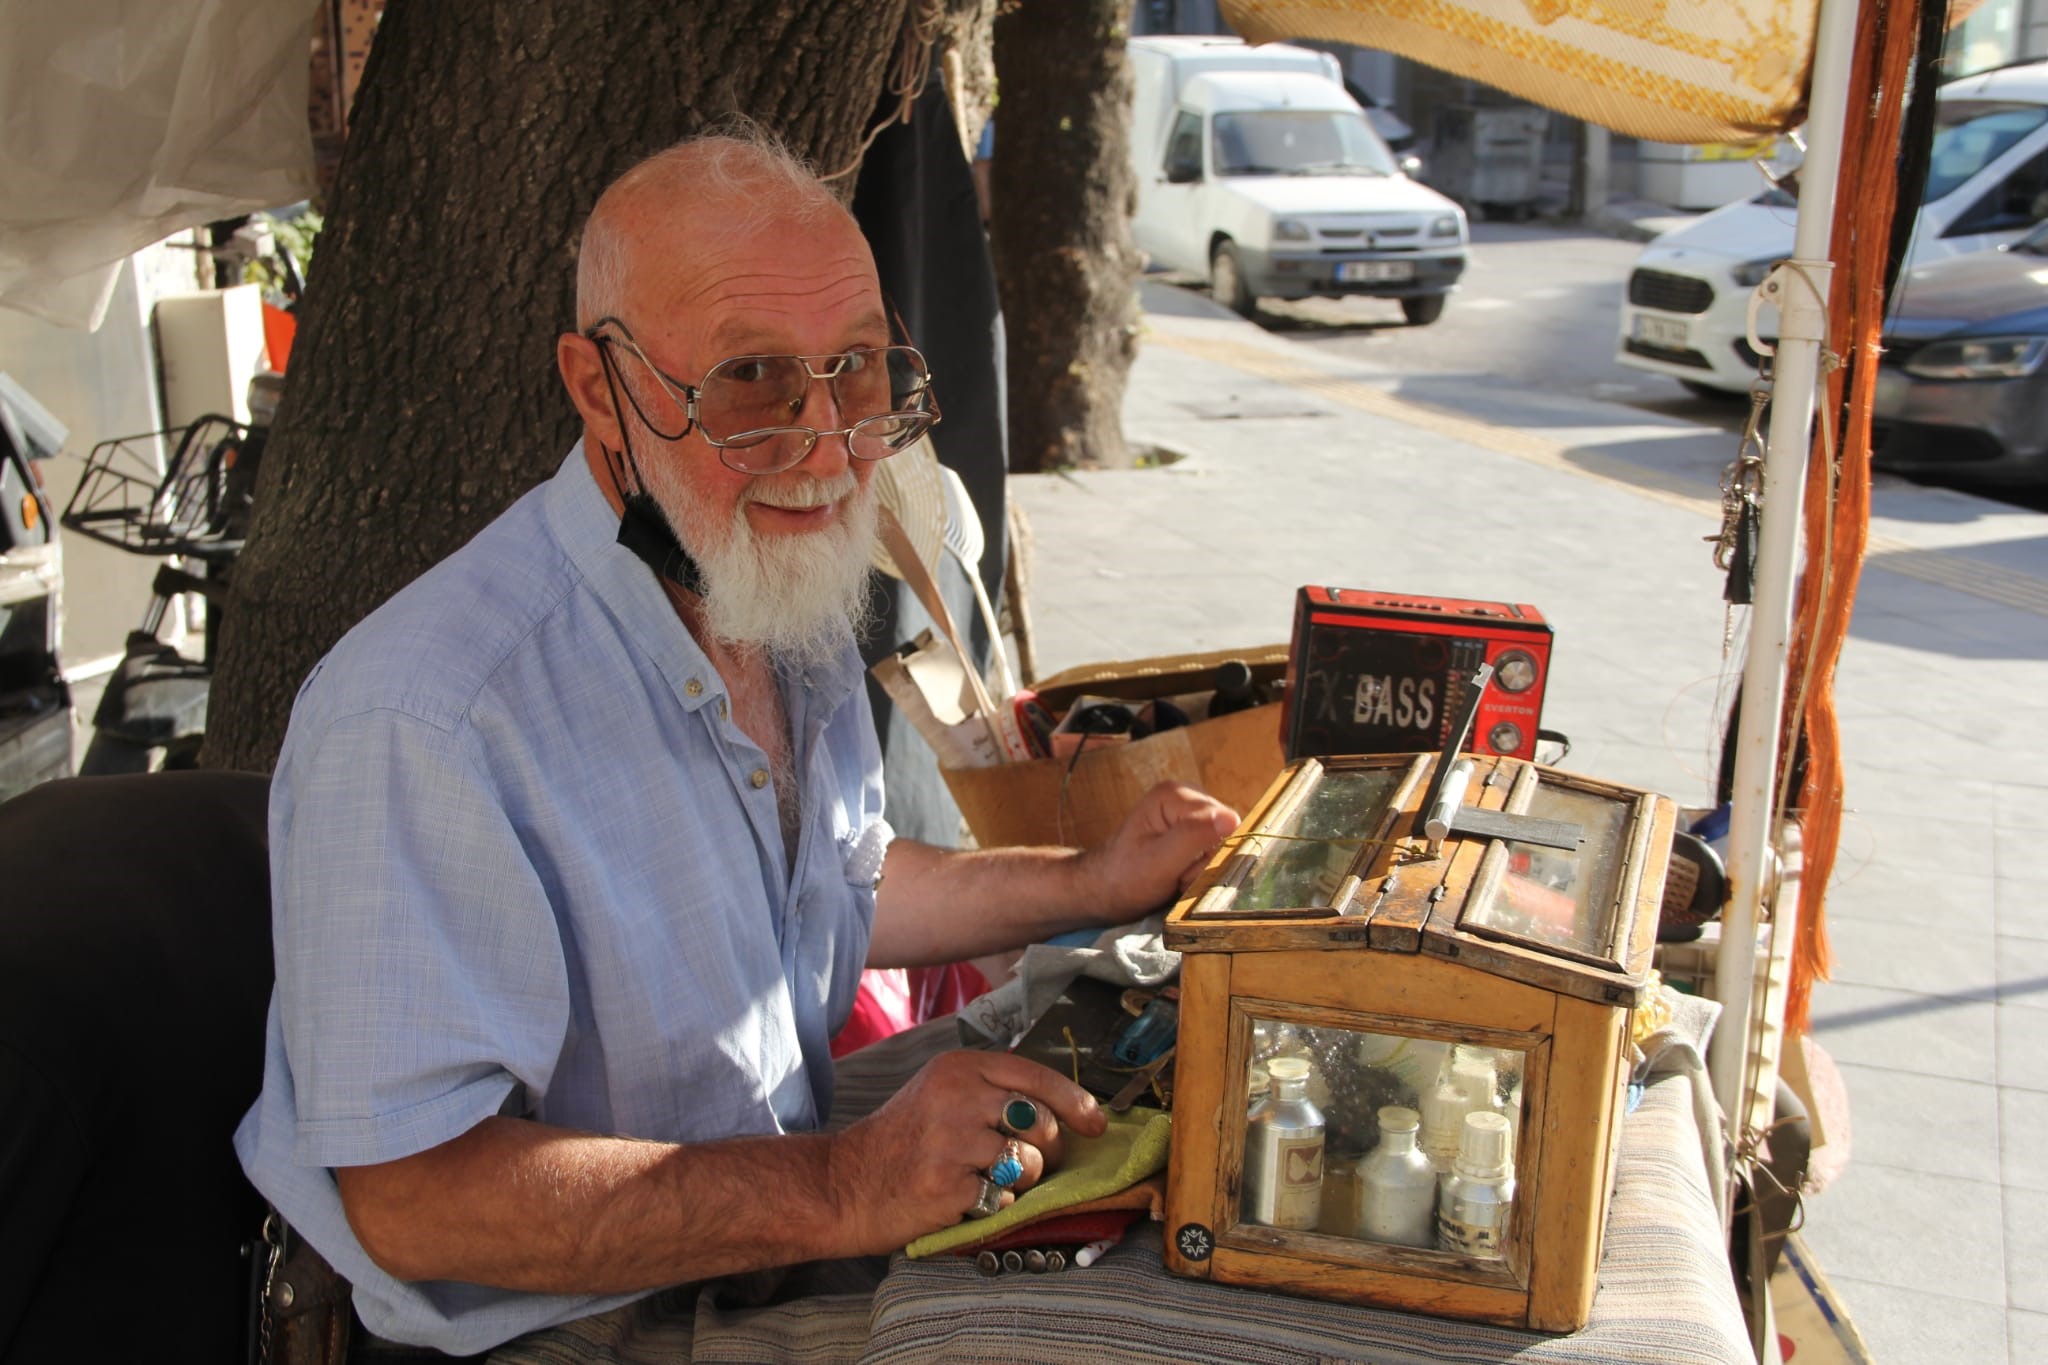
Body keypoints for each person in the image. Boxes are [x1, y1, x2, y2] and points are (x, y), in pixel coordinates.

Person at [233, 129, 1237, 1357]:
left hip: (767, 1189)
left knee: (1163, 1119)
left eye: (859, 370)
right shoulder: (427, 716)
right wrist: (848, 1187)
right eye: (752, 380)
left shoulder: (761, 587)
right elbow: (416, 1203)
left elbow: (836, 882)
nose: (827, 449)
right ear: (598, 388)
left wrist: (1087, 885)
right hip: (569, 1320)